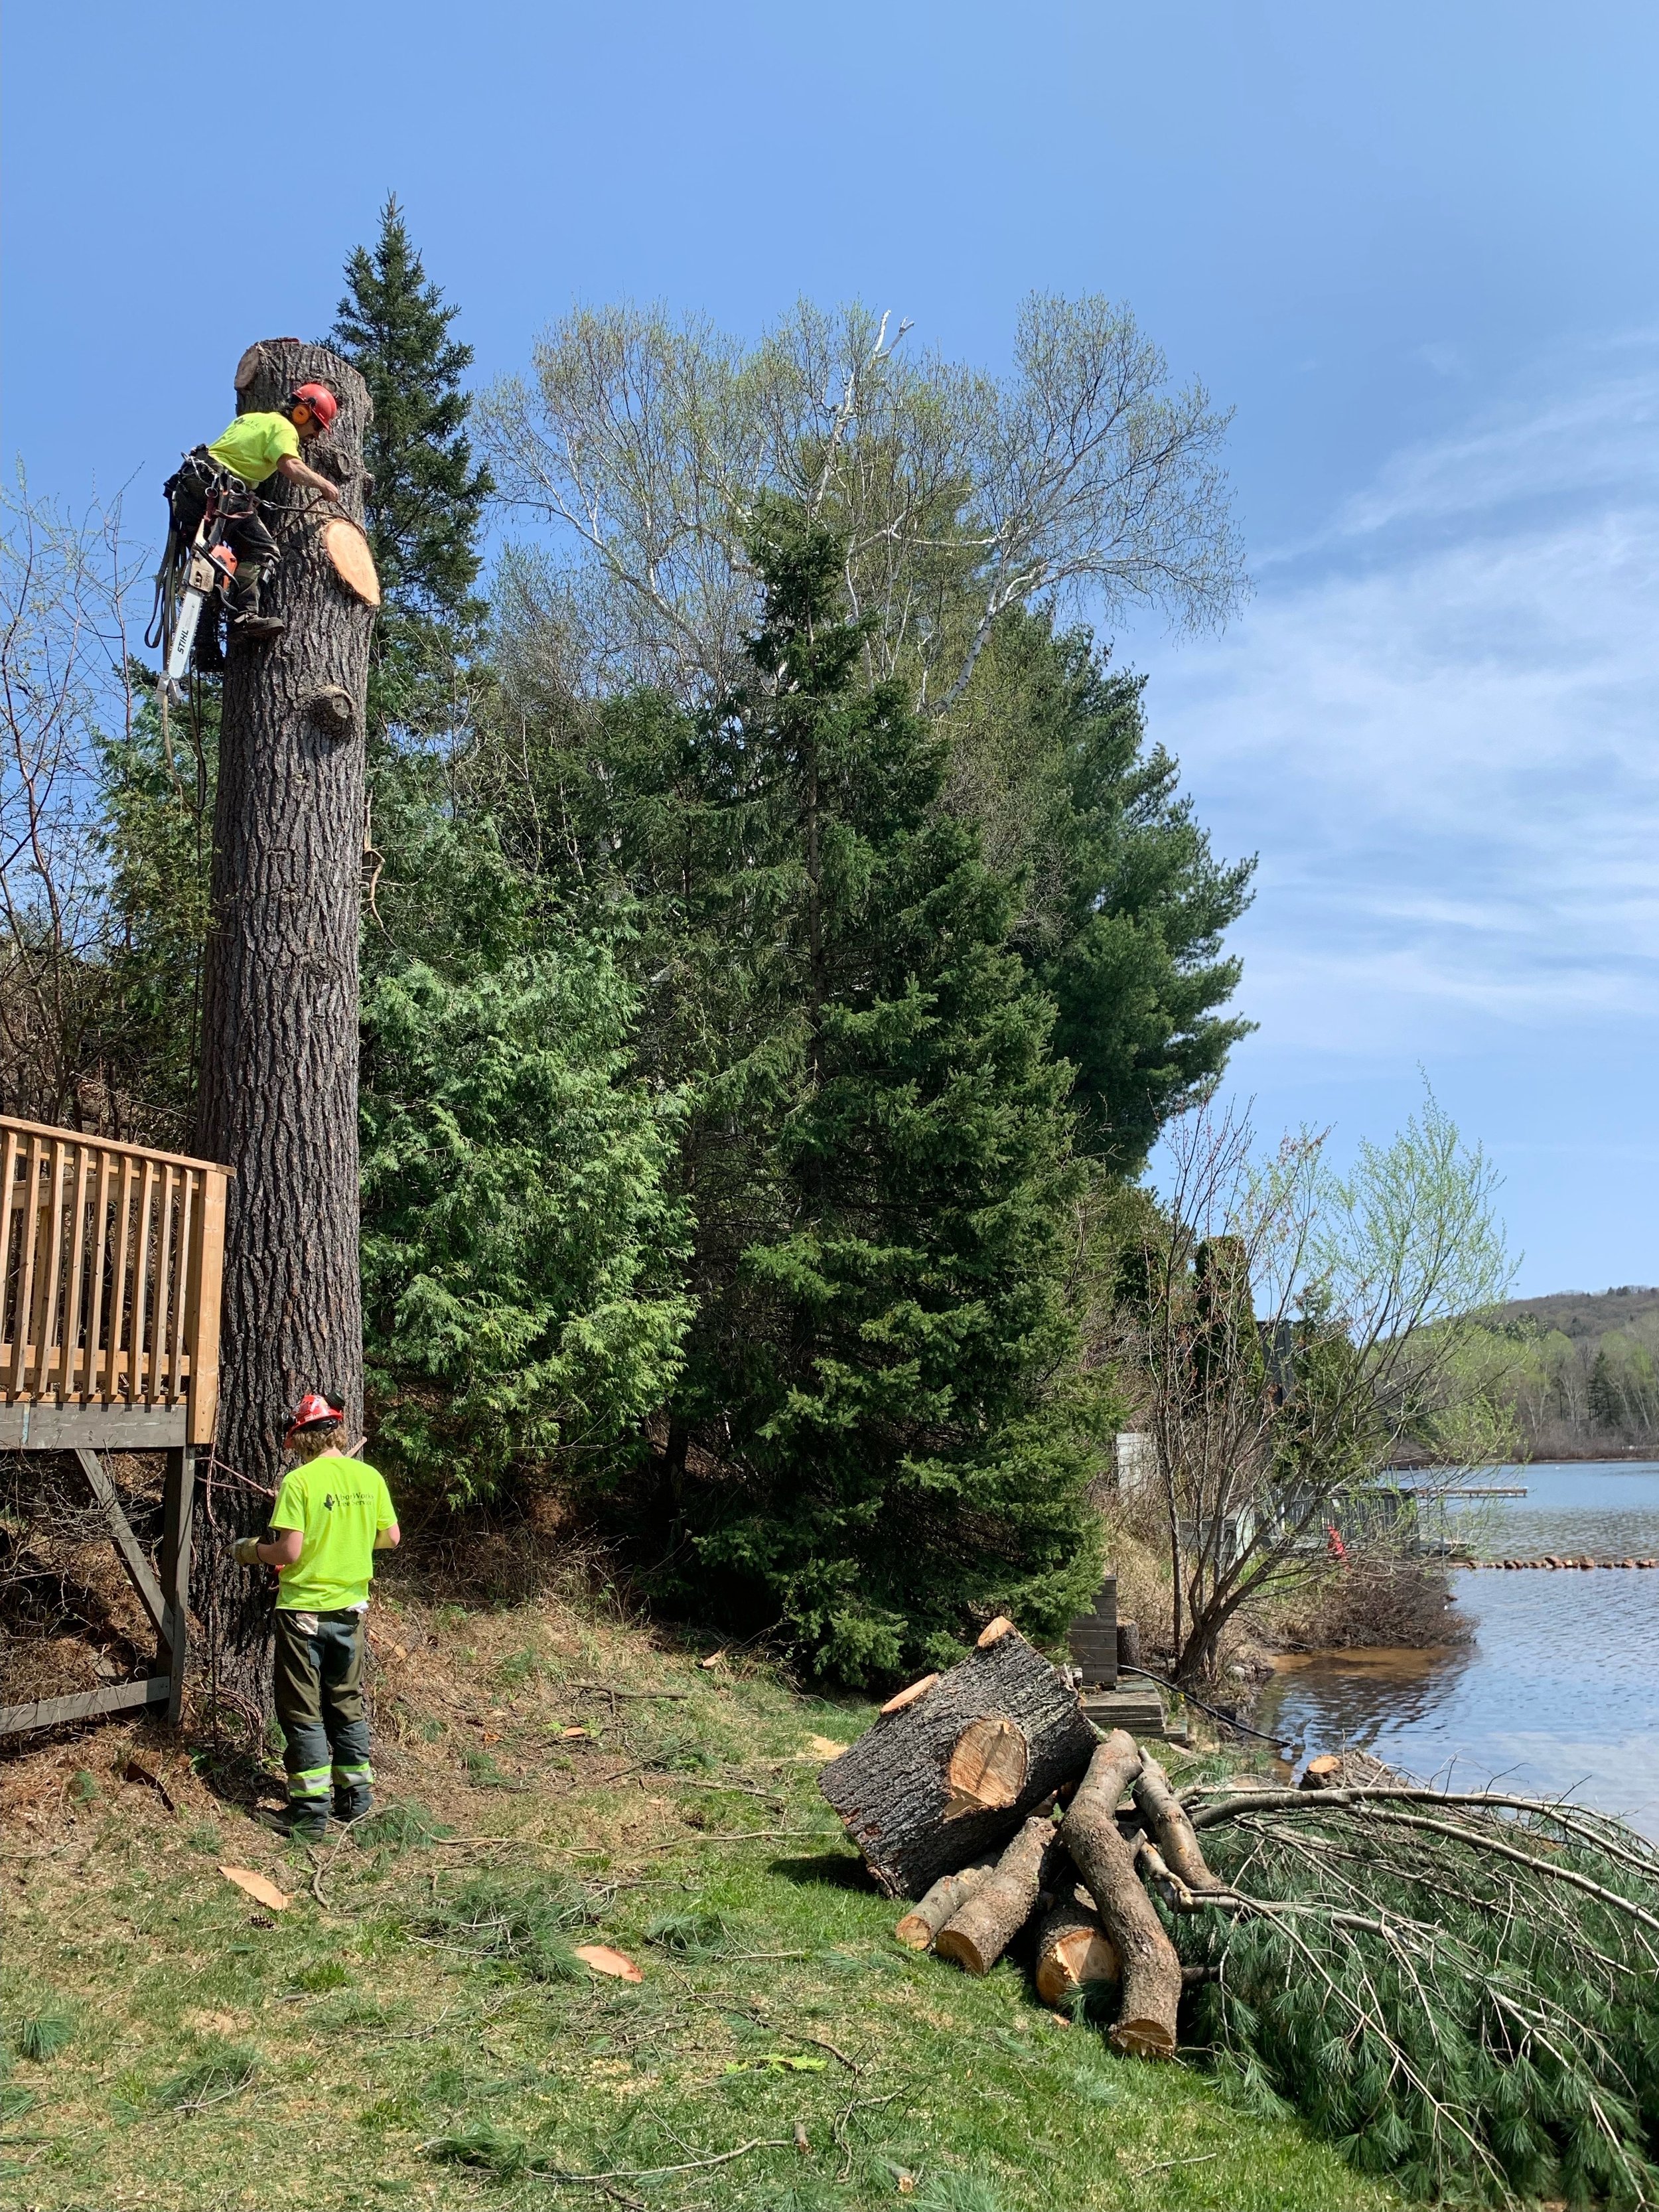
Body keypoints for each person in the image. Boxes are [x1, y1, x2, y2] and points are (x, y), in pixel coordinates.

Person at [234, 1390, 399, 1839]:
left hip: (303, 1611)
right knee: (347, 1703)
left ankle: (309, 1813)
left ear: (301, 1439)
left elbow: (289, 1549)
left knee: (302, 1709)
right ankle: (356, 1800)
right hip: (351, 1610)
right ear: (337, 1432)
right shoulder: (369, 1477)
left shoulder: (299, 1483)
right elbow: (391, 1537)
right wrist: (346, 1545)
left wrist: (250, 1551)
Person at [164, 384, 346, 644]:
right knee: (263, 550)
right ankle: (244, 618)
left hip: (193, 486)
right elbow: (291, 465)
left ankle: (205, 645)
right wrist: (324, 484)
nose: (315, 436)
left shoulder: (250, 419)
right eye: (316, 426)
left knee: (214, 562)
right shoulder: (284, 429)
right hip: (223, 489)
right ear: (302, 414)